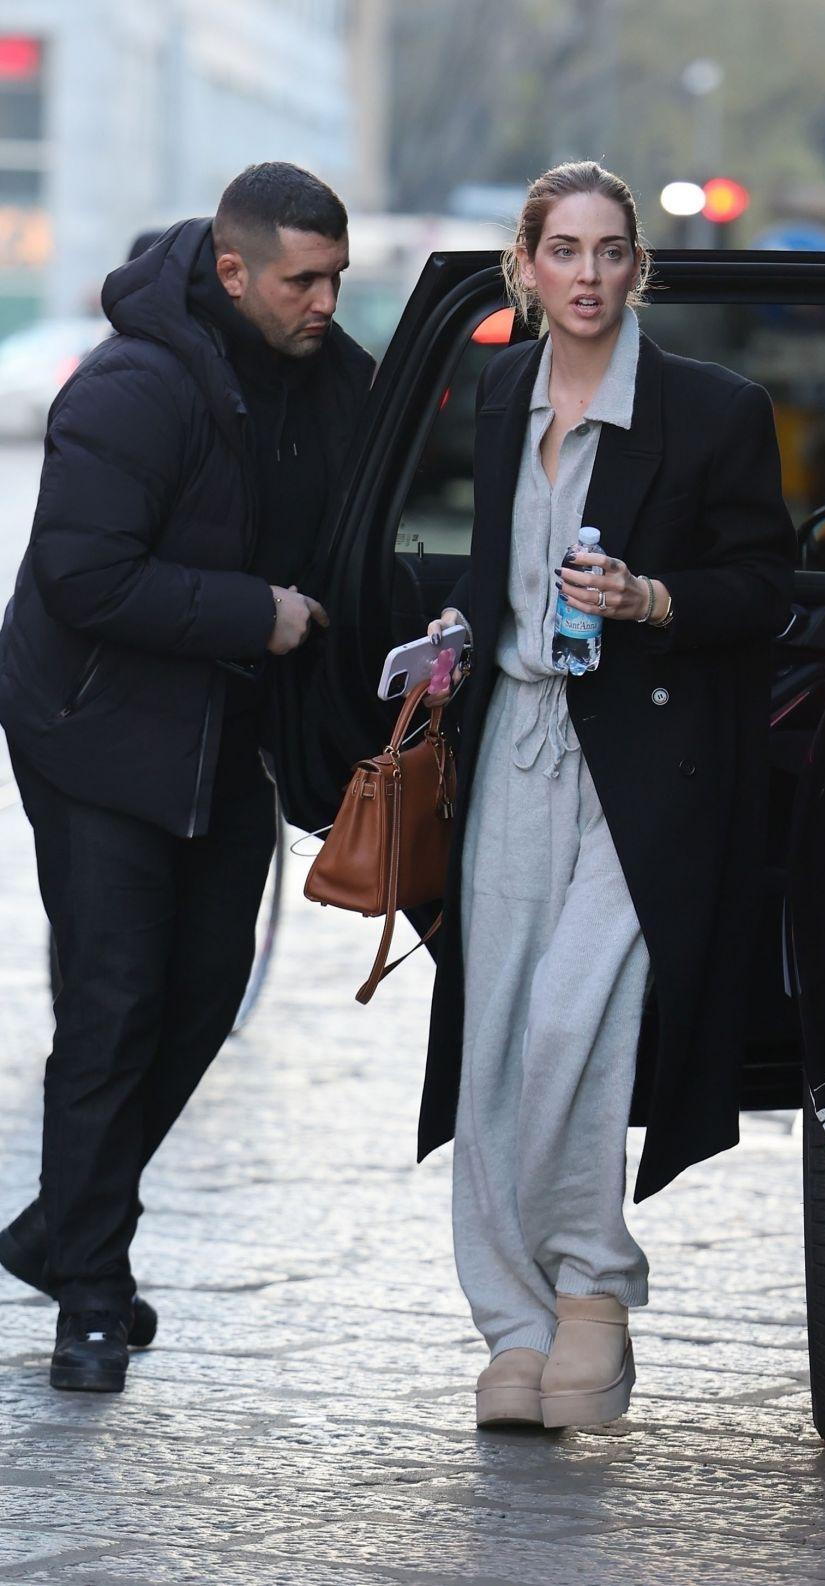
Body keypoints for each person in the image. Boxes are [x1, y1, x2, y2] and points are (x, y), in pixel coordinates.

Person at [420, 161, 792, 1429]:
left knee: (573, 1026)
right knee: (492, 1051)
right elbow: (494, 574)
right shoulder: (500, 389)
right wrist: (448, 639)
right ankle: (511, 1329)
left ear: (641, 266)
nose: (587, 275)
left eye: (611, 250)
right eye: (563, 250)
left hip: (647, 764)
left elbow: (767, 589)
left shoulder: (711, 410)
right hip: (514, 742)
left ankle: (592, 1294)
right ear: (525, 265)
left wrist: (652, 599)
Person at [0, 162, 373, 1392]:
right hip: (94, 735)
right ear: (232, 271)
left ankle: (61, 1225)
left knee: (207, 992)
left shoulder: (331, 381)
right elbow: (81, 576)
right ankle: (92, 1300)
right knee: (114, 1006)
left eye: (336, 277)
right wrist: (250, 613)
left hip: (228, 740)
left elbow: (384, 519)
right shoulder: (135, 384)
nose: (324, 302)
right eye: (301, 280)